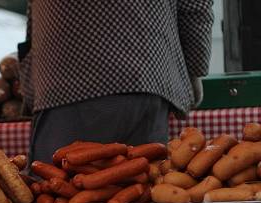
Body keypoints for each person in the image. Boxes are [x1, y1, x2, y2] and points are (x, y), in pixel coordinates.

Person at [21, 0, 214, 164]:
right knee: (140, 197)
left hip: (60, 77)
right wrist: (193, 71)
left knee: (57, 197)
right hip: (142, 72)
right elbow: (195, 7)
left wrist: (32, 85)